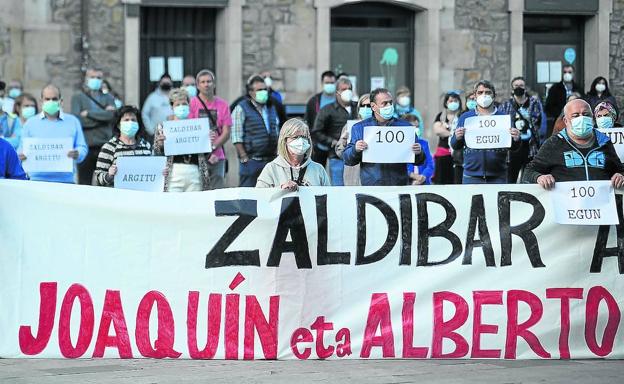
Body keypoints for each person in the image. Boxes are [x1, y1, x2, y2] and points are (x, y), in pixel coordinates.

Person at [523, 99, 624, 189]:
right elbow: (529, 172)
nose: (582, 118)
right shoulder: (554, 143)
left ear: (592, 118)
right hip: (566, 208)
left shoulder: (604, 142)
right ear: (566, 121)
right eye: (575, 116)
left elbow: (619, 169)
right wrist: (539, 177)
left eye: (586, 114)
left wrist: (620, 175)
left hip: (600, 207)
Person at [343, 88, 425, 186]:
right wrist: (355, 149)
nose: (389, 106)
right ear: (373, 107)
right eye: (384, 103)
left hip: (399, 186)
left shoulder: (405, 127)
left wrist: (419, 152)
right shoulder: (360, 128)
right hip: (372, 187)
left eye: (390, 102)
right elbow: (348, 160)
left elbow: (419, 161)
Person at [450, 80, 521, 184]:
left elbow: (513, 147)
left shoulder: (503, 118)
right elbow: (455, 145)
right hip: (471, 175)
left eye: (488, 92)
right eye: (480, 92)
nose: (484, 95)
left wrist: (516, 139)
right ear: (474, 95)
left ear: (494, 96)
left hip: (498, 175)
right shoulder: (465, 117)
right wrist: (457, 137)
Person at [18, 84, 88, 183]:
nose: (51, 102)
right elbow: (22, 148)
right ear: (41, 101)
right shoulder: (30, 123)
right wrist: (21, 156)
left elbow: (82, 147)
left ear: (61, 101)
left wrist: (78, 153)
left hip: (66, 180)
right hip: (36, 180)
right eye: (47, 99)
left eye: (54, 99)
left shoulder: (73, 121)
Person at [153, 88, 212, 192]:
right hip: (173, 172)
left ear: (188, 105)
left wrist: (208, 141)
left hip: (194, 171)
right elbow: (156, 153)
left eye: (184, 104)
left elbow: (205, 153)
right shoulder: (163, 127)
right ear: (172, 106)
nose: (181, 107)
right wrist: (161, 143)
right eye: (177, 105)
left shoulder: (197, 126)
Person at [231, 75, 281, 187]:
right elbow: (236, 135)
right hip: (251, 161)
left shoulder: (271, 107)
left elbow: (276, 131)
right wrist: (244, 157)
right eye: (259, 90)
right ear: (251, 92)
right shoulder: (241, 108)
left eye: (264, 89)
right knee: (248, 197)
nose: (263, 92)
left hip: (270, 160)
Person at [71, 68, 116, 185]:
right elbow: (79, 121)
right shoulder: (77, 98)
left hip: (105, 146)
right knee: (84, 183)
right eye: (92, 77)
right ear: (86, 79)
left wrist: (89, 114)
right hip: (86, 146)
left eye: (98, 78)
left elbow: (111, 116)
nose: (95, 80)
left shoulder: (109, 98)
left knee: (105, 183)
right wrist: (102, 118)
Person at [256, 118, 330, 189]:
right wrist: (281, 189)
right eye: (295, 137)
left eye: (304, 137)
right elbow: (260, 197)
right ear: (285, 140)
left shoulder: (318, 169)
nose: (301, 140)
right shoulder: (271, 168)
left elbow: (329, 197)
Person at [188, 69, 231, 189]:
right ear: (197, 85)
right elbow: (189, 130)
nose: (206, 84)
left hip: (218, 156)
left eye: (209, 81)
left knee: (217, 191)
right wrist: (205, 152)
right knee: (198, 190)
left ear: (214, 84)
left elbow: (226, 132)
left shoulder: (223, 105)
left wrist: (212, 148)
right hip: (197, 156)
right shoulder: (192, 104)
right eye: (203, 82)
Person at [311, 76, 358, 186]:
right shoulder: (327, 110)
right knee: (339, 188)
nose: (347, 91)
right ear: (337, 92)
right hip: (337, 158)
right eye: (344, 89)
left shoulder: (358, 107)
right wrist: (332, 142)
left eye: (349, 89)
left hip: (356, 157)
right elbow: (317, 131)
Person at [93, 105, 155, 187]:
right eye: (126, 120)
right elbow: (98, 177)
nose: (130, 123)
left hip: (142, 195)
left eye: (133, 120)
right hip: (118, 196)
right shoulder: (109, 147)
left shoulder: (146, 145)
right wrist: (109, 175)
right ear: (118, 125)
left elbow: (153, 170)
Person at [500, 76, 544, 183]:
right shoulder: (506, 105)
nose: (519, 88)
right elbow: (503, 124)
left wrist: (528, 118)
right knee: (510, 179)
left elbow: (538, 122)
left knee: (528, 179)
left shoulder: (534, 103)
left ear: (525, 88)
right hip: (513, 149)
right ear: (512, 88)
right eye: (516, 86)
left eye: (521, 85)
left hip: (530, 147)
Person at [335, 93, 370, 186]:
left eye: (369, 105)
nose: (366, 108)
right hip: (353, 175)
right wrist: (343, 141)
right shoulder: (350, 126)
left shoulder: (381, 128)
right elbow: (340, 153)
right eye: (363, 105)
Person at [304, 70, 337, 166]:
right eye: (327, 83)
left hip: (336, 146)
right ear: (322, 83)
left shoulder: (340, 100)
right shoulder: (314, 101)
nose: (330, 85)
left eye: (332, 83)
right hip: (318, 145)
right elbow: (308, 121)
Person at [545, 64, 583, 136]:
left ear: (573, 74)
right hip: (560, 120)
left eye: (569, 72)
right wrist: (560, 113)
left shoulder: (578, 88)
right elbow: (548, 106)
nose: (567, 74)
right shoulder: (555, 89)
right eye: (565, 72)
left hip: (576, 122)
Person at [433, 92, 462, 184]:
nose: (453, 103)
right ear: (446, 103)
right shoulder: (441, 116)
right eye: (451, 101)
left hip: (457, 155)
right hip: (443, 154)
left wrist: (446, 131)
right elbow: (437, 130)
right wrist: (453, 134)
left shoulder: (462, 116)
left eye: (455, 101)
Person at [403, 114, 434, 185]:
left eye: (417, 127)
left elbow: (430, 164)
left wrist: (423, 176)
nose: (416, 129)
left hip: (423, 182)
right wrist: (412, 175)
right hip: (406, 182)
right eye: (413, 127)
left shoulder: (424, 143)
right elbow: (400, 167)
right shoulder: (401, 145)